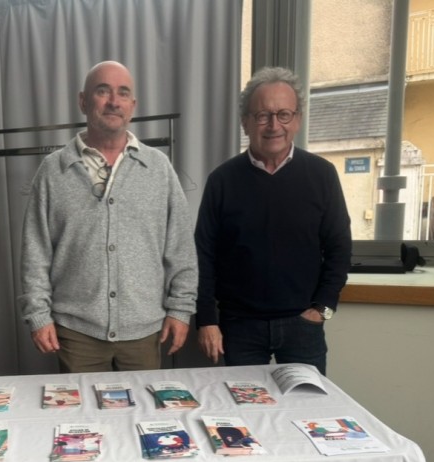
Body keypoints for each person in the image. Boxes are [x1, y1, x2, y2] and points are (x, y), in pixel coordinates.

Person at [18, 61, 197, 373]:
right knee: (82, 407)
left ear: (132, 105)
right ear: (83, 101)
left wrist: (180, 309)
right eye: (103, 91)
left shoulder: (158, 168)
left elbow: (180, 247)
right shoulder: (53, 170)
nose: (114, 101)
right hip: (76, 334)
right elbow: (35, 252)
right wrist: (38, 315)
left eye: (123, 93)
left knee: (142, 405)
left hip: (144, 331)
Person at [195, 66, 352, 376]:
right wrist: (207, 319)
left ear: (298, 120)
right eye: (262, 115)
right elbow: (203, 256)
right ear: (245, 122)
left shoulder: (322, 174)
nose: (273, 125)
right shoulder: (222, 180)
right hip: (238, 327)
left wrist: (323, 309)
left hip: (303, 325)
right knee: (241, 406)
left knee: (307, 403)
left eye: (284, 114)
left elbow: (340, 248)